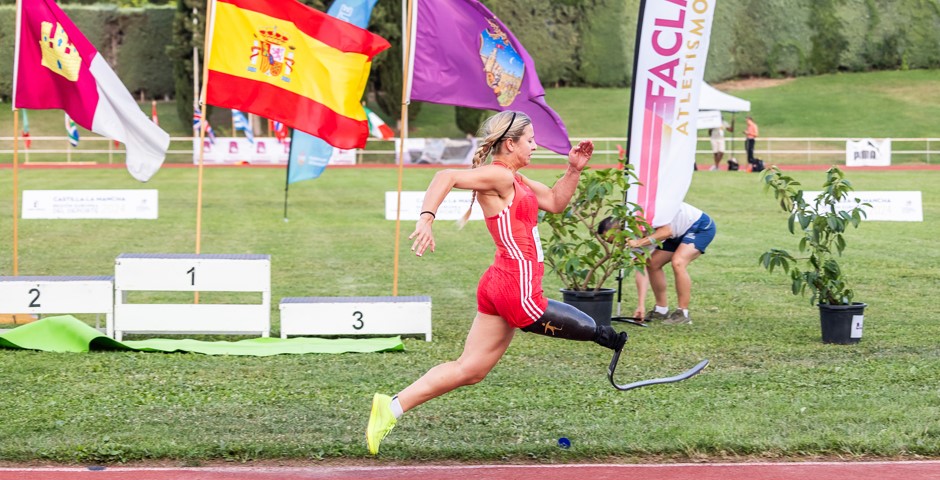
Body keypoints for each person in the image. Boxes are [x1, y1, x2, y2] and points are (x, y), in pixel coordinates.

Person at [365, 110, 628, 455]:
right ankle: (602, 334)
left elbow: (555, 202)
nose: (535, 146)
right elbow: (445, 175)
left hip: (499, 282)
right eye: (530, 140)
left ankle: (390, 408)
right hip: (516, 286)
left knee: (470, 369)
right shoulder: (500, 176)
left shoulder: (515, 179)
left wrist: (574, 170)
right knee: (536, 316)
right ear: (511, 144)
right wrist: (426, 219)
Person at [627, 203, 716, 325]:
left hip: (699, 226)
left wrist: (640, 242)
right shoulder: (630, 237)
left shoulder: (643, 218)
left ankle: (683, 313)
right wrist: (640, 305)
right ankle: (661, 310)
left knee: (678, 262)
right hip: (675, 233)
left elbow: (666, 231)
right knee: (652, 263)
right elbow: (640, 269)